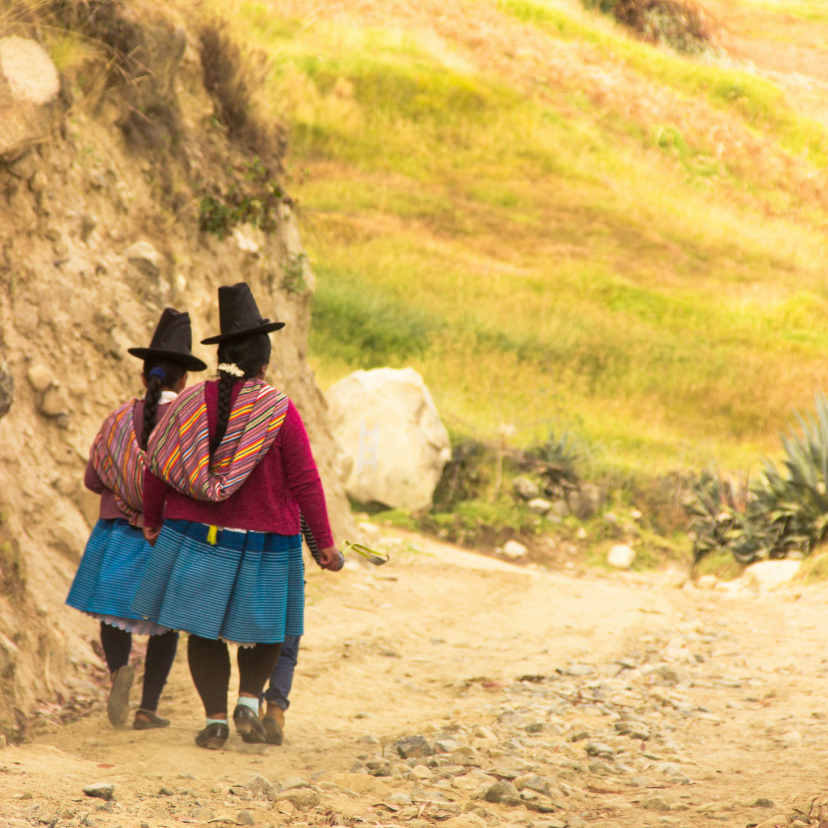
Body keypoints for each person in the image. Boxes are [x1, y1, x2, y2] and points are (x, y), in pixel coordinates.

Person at [131, 282, 342, 750]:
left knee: (204, 630)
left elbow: (157, 463)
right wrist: (323, 542)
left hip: (195, 538)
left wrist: (151, 517)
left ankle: (215, 720)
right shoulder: (278, 409)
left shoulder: (186, 403)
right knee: (266, 627)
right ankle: (249, 702)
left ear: (222, 356)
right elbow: (306, 481)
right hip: (269, 540)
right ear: (263, 363)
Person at [66, 309, 207, 729]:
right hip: (168, 538)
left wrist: (123, 486)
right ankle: (148, 709)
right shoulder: (190, 423)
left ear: (145, 376)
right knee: (166, 625)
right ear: (185, 381)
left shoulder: (115, 420)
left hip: (117, 533)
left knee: (113, 613)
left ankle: (116, 673)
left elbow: (93, 480)